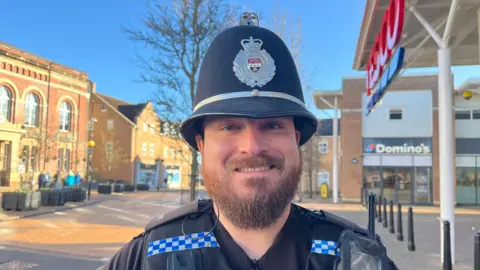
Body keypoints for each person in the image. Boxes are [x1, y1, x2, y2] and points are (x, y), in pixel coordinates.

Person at [99, 12, 397, 270]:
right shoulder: (150, 256)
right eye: (229, 126)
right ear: (201, 145)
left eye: (272, 125)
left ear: (296, 140)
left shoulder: (354, 258)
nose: (252, 147)